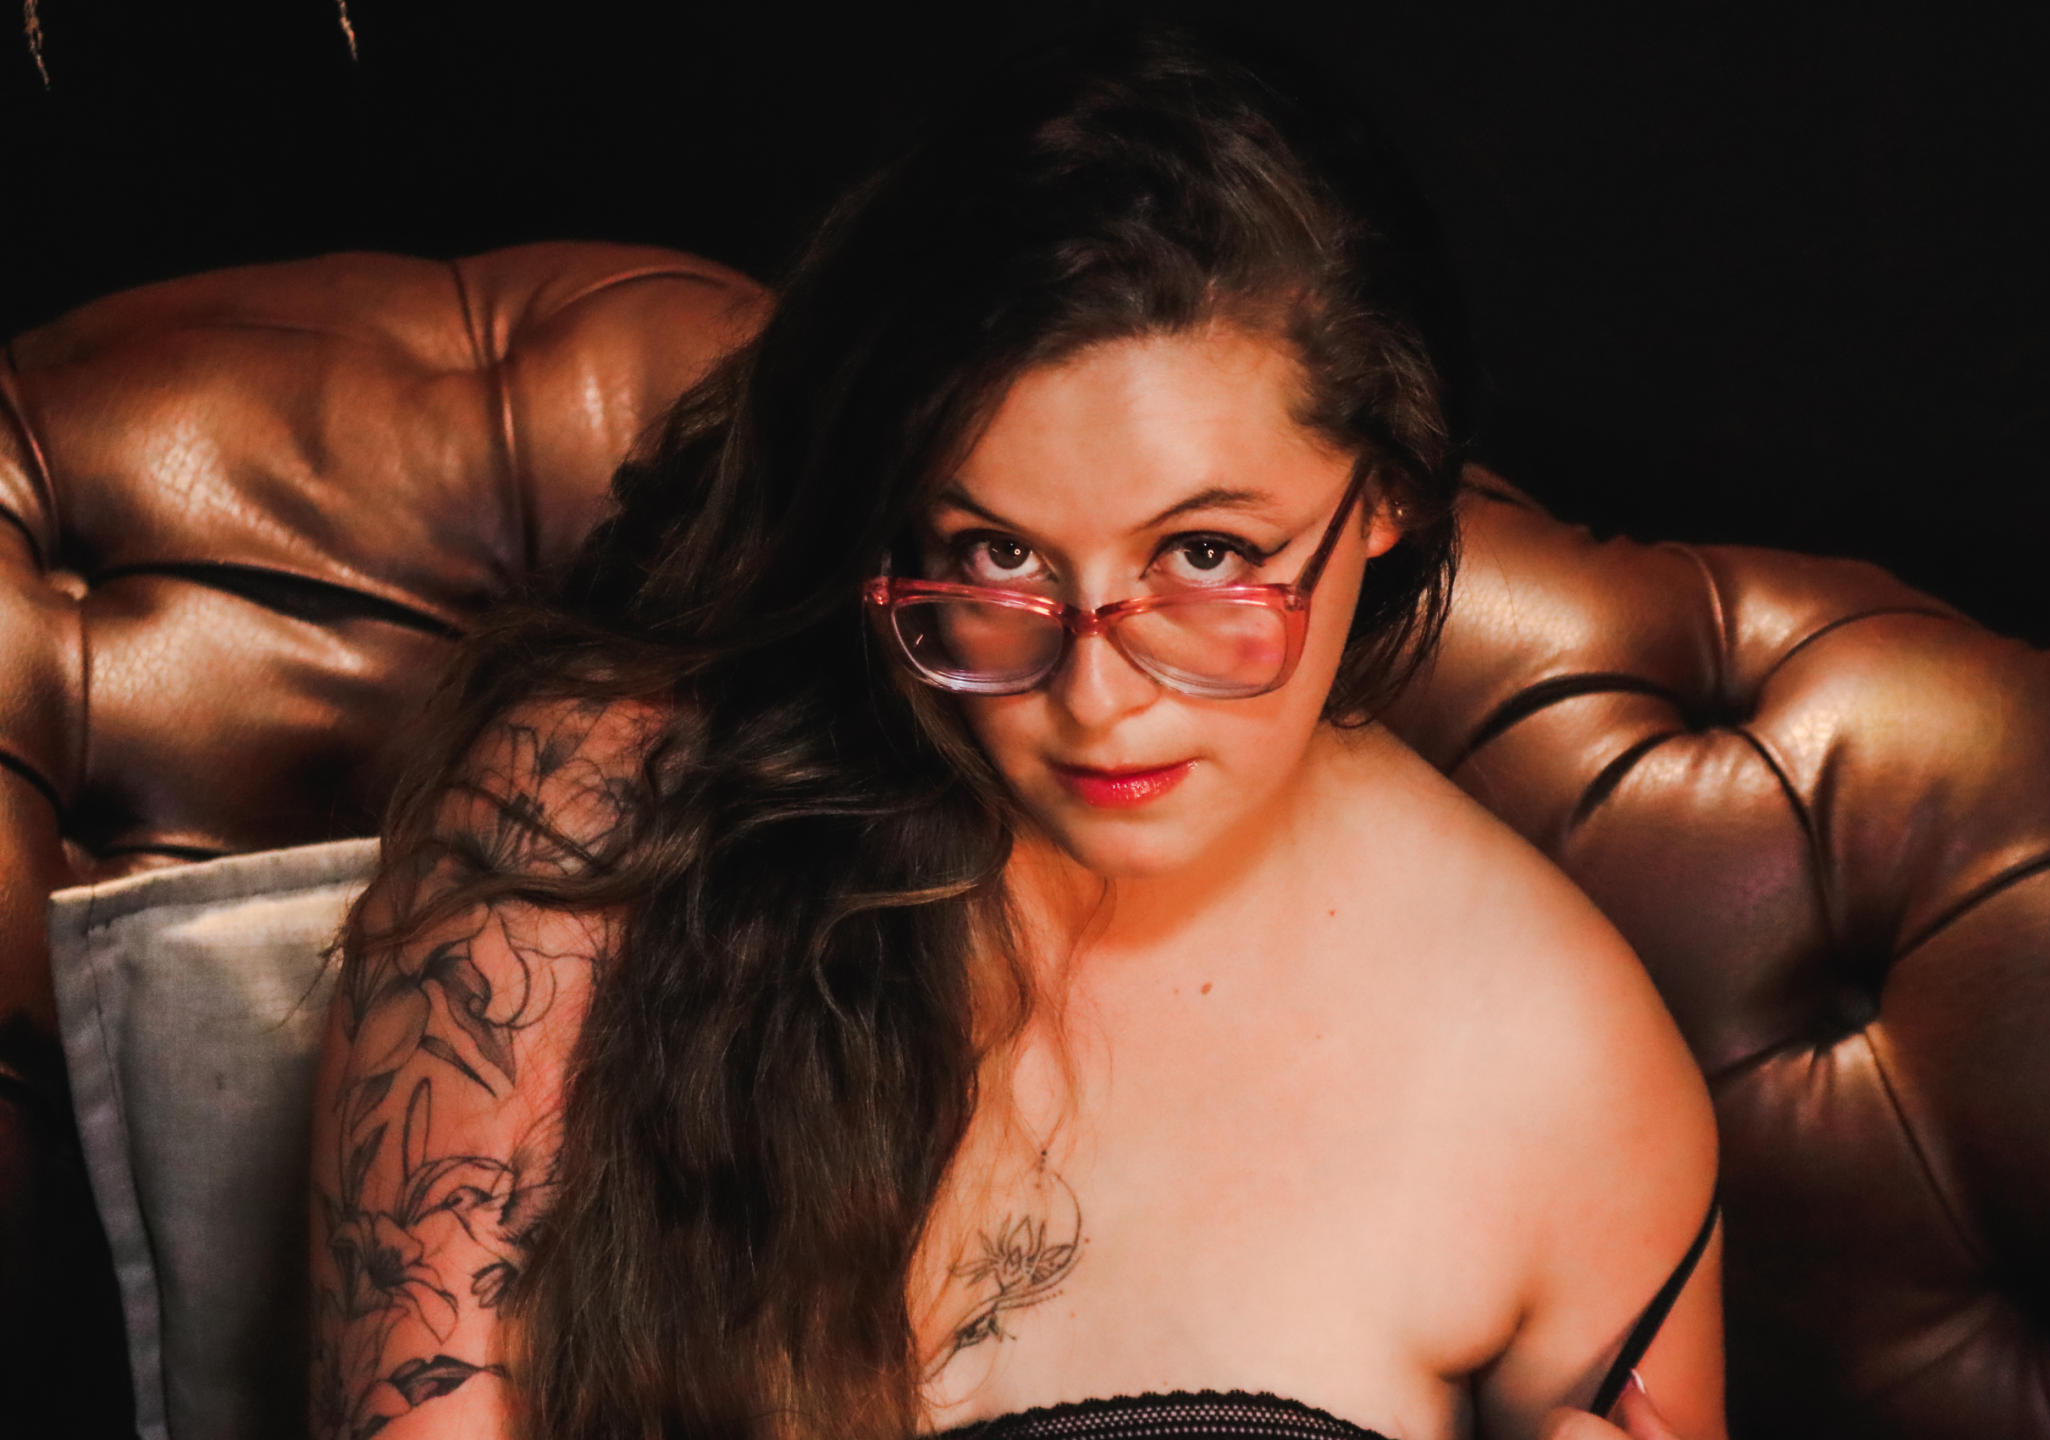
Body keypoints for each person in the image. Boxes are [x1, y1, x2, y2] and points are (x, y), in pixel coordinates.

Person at [308, 23, 1723, 1440]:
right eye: (997, 557)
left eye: (1209, 555)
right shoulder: (588, 821)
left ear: (1393, 490)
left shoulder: (1568, 1072)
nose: (1094, 698)